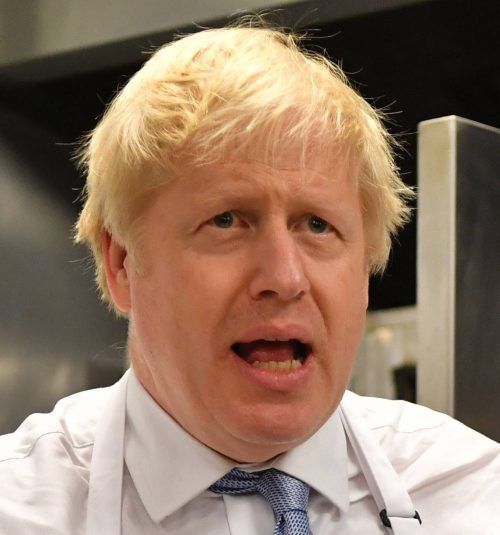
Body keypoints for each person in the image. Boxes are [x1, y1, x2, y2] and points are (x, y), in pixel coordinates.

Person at [0, 22, 498, 535]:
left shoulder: (474, 493)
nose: (285, 278)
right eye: (227, 221)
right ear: (121, 263)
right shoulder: (19, 509)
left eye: (318, 225)